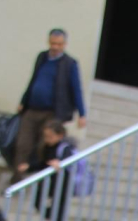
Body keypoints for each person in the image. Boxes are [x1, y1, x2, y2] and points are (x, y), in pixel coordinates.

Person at [14, 29, 87, 176]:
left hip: (52, 112)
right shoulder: (42, 57)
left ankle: (38, 179)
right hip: (33, 108)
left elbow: (76, 88)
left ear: (64, 44)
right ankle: (17, 179)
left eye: (59, 44)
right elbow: (33, 79)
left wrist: (82, 113)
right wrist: (23, 100)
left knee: (44, 146)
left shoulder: (69, 63)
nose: (55, 47)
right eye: (53, 43)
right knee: (23, 144)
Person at [38, 120, 75, 221]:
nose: (47, 139)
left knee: (59, 207)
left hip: (63, 183)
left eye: (50, 136)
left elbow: (67, 161)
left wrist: (59, 163)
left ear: (60, 136)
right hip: (50, 182)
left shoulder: (65, 148)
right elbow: (42, 162)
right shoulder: (46, 147)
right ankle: (49, 217)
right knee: (39, 200)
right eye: (46, 136)